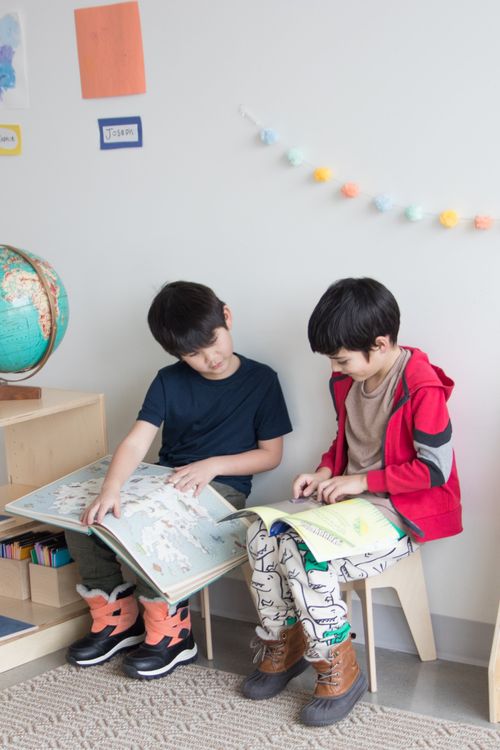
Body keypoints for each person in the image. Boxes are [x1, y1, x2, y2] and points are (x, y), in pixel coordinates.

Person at [241, 277, 462, 727]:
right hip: (348, 504)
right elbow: (344, 440)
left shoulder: (423, 388)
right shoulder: (345, 383)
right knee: (261, 534)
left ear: (380, 344)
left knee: (305, 554)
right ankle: (285, 644)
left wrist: (360, 482)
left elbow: (434, 470)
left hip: (401, 512)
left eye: (341, 358)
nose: (336, 367)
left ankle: (337, 667)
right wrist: (324, 472)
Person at [65, 280, 292, 679]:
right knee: (89, 518)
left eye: (213, 343)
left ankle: (172, 633)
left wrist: (212, 465)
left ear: (227, 317)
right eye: (193, 354)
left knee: (154, 526)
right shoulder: (169, 380)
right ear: (176, 354)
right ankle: (119, 619)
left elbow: (271, 455)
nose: (210, 358)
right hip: (164, 480)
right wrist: (111, 489)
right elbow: (137, 441)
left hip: (220, 490)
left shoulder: (261, 381)